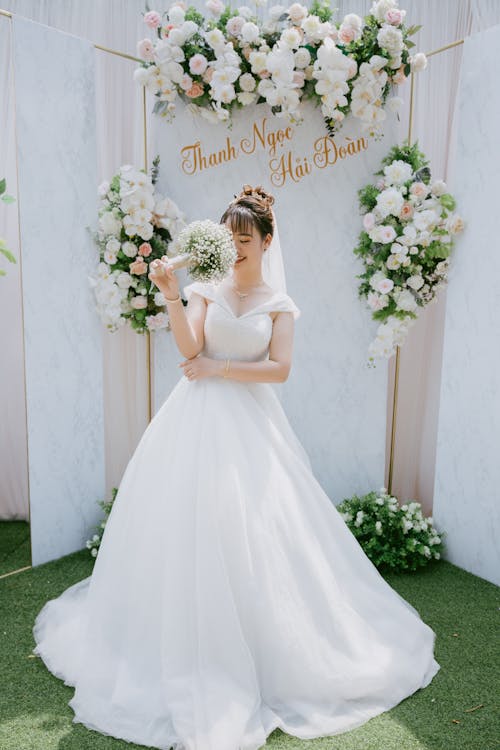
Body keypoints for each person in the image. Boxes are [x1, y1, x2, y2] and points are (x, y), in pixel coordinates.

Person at [32, 184, 440, 750]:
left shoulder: (278, 303)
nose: (236, 246)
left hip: (251, 424)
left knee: (260, 531)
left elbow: (279, 370)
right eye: (229, 237)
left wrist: (220, 369)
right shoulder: (205, 288)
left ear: (267, 241)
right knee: (186, 526)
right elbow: (187, 349)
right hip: (193, 421)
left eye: (245, 238)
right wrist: (172, 295)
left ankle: (272, 652)